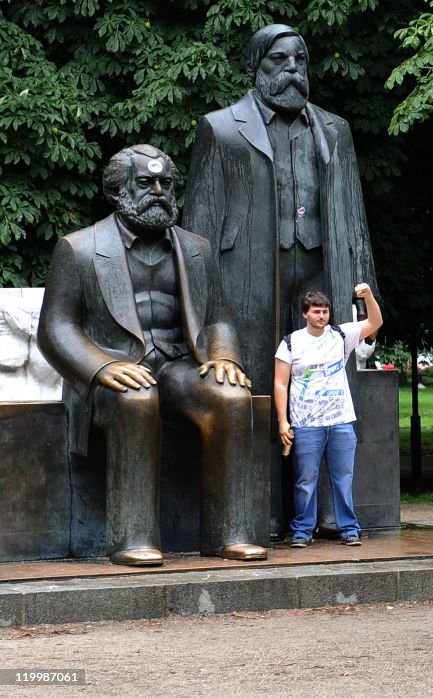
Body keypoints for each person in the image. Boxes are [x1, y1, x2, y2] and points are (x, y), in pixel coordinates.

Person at [37, 144, 267, 566]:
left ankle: (229, 534)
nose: (158, 191)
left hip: (179, 365)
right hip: (113, 370)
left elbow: (218, 318)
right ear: (118, 190)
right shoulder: (79, 248)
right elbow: (55, 329)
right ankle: (133, 538)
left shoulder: (196, 249)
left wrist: (224, 357)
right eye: (145, 183)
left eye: (165, 184)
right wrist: (102, 367)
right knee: (137, 397)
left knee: (232, 397)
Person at [183, 23, 377, 398]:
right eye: (279, 59)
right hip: (247, 273)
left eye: (299, 59)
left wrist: (365, 300)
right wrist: (196, 306)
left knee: (322, 383)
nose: (292, 68)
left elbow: (354, 220)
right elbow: (198, 226)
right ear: (256, 67)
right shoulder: (221, 129)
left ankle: (313, 453)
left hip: (322, 271)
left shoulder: (336, 130)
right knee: (253, 380)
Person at [273, 286, 382, 548]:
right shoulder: (291, 342)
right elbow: (280, 383)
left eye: (325, 311)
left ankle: (349, 528)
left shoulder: (341, 335)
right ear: (305, 314)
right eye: (316, 312)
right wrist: (282, 421)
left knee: (343, 478)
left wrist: (367, 296)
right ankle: (302, 530)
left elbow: (376, 322)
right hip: (307, 422)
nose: (322, 316)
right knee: (305, 480)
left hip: (340, 420)